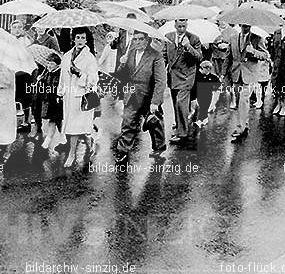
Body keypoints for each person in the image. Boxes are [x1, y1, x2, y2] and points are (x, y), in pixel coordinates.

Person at [112, 31, 167, 160]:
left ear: (147, 40)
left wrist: (155, 102)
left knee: (154, 123)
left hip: (149, 95)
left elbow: (161, 81)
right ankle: (123, 150)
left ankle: (159, 147)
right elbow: (120, 75)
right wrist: (122, 64)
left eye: (141, 39)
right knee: (128, 121)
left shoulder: (156, 56)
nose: (138, 42)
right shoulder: (129, 53)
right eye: (135, 39)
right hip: (131, 93)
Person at [58, 27, 99, 168]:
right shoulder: (67, 56)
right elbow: (62, 75)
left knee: (75, 128)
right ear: (73, 39)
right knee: (77, 127)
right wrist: (60, 91)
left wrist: (80, 73)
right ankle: (90, 142)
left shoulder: (90, 58)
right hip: (69, 96)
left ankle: (72, 154)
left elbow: (94, 79)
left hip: (81, 96)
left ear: (86, 40)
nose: (80, 40)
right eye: (77, 37)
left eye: (82, 38)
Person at [225, 24, 270, 142]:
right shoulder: (233, 38)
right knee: (240, 99)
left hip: (249, 74)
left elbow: (265, 55)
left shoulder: (257, 38)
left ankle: (240, 128)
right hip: (236, 74)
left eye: (248, 25)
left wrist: (253, 51)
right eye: (244, 25)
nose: (246, 27)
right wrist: (224, 73)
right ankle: (245, 124)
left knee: (243, 100)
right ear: (240, 25)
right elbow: (228, 56)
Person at [164, 18, 203, 145]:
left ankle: (183, 133)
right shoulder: (168, 37)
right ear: (175, 25)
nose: (181, 29)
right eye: (179, 26)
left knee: (181, 102)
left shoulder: (194, 38)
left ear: (187, 25)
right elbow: (164, 55)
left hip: (187, 76)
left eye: (184, 26)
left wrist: (188, 46)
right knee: (175, 102)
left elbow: (199, 57)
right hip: (173, 75)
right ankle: (181, 124)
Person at [36, 52, 64, 152]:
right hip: (48, 100)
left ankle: (51, 140)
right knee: (54, 120)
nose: (49, 65)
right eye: (48, 63)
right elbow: (45, 85)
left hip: (57, 100)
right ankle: (62, 139)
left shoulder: (60, 73)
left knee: (56, 120)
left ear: (57, 64)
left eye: (51, 64)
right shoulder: (47, 72)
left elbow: (59, 86)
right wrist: (41, 80)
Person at [11, 19, 34, 133]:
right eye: (14, 28)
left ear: (22, 29)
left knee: (25, 99)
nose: (16, 30)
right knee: (12, 98)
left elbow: (28, 55)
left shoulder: (26, 41)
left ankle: (26, 121)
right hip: (12, 73)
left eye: (19, 27)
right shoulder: (9, 41)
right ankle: (12, 122)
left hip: (24, 73)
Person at [211, 22, 238, 108]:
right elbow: (210, 45)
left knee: (228, 82)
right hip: (216, 59)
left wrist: (226, 46)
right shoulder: (214, 31)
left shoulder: (233, 32)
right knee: (216, 80)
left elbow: (236, 46)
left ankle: (233, 100)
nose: (222, 23)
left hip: (227, 61)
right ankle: (213, 103)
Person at [195, 60, 221, 128]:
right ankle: (200, 119)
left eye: (201, 68)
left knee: (204, 105)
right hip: (198, 94)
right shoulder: (197, 76)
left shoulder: (213, 77)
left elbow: (218, 86)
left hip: (208, 95)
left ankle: (202, 120)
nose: (200, 70)